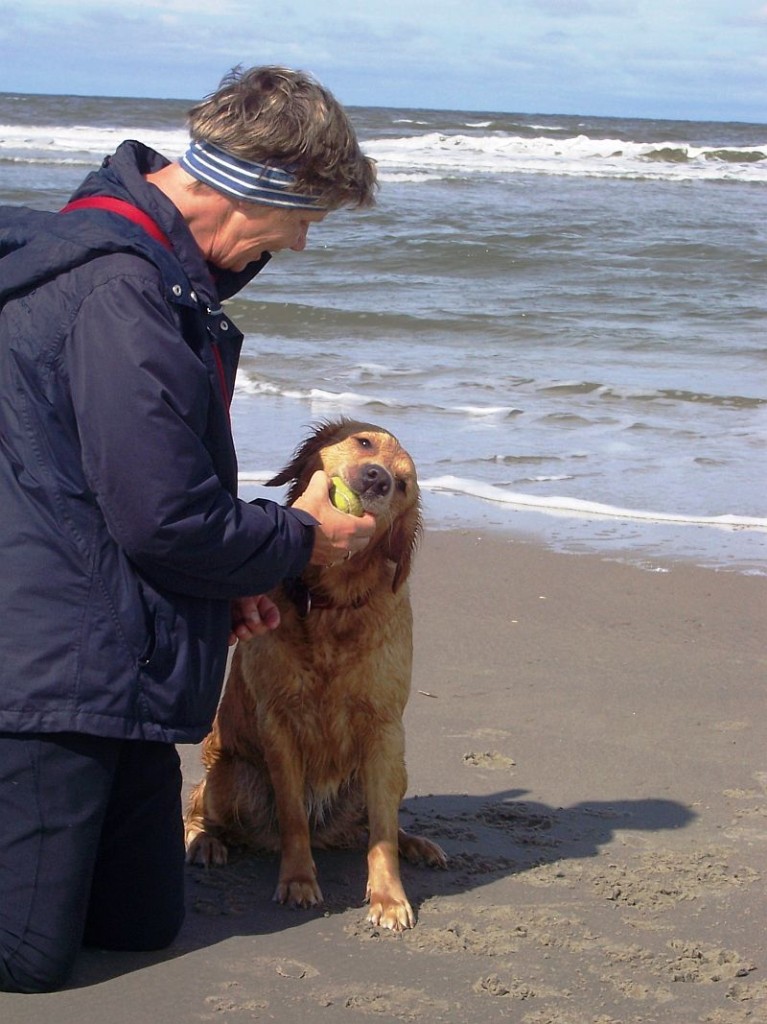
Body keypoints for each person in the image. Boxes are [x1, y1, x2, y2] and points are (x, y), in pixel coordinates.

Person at [0, 65, 377, 993]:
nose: (298, 243)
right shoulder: (123, 293)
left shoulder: (153, 273)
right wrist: (299, 541)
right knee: (31, 963)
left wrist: (226, 577)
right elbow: (166, 518)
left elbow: (138, 497)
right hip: (47, 667)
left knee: (138, 924)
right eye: (306, 219)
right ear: (260, 190)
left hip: (101, 638)